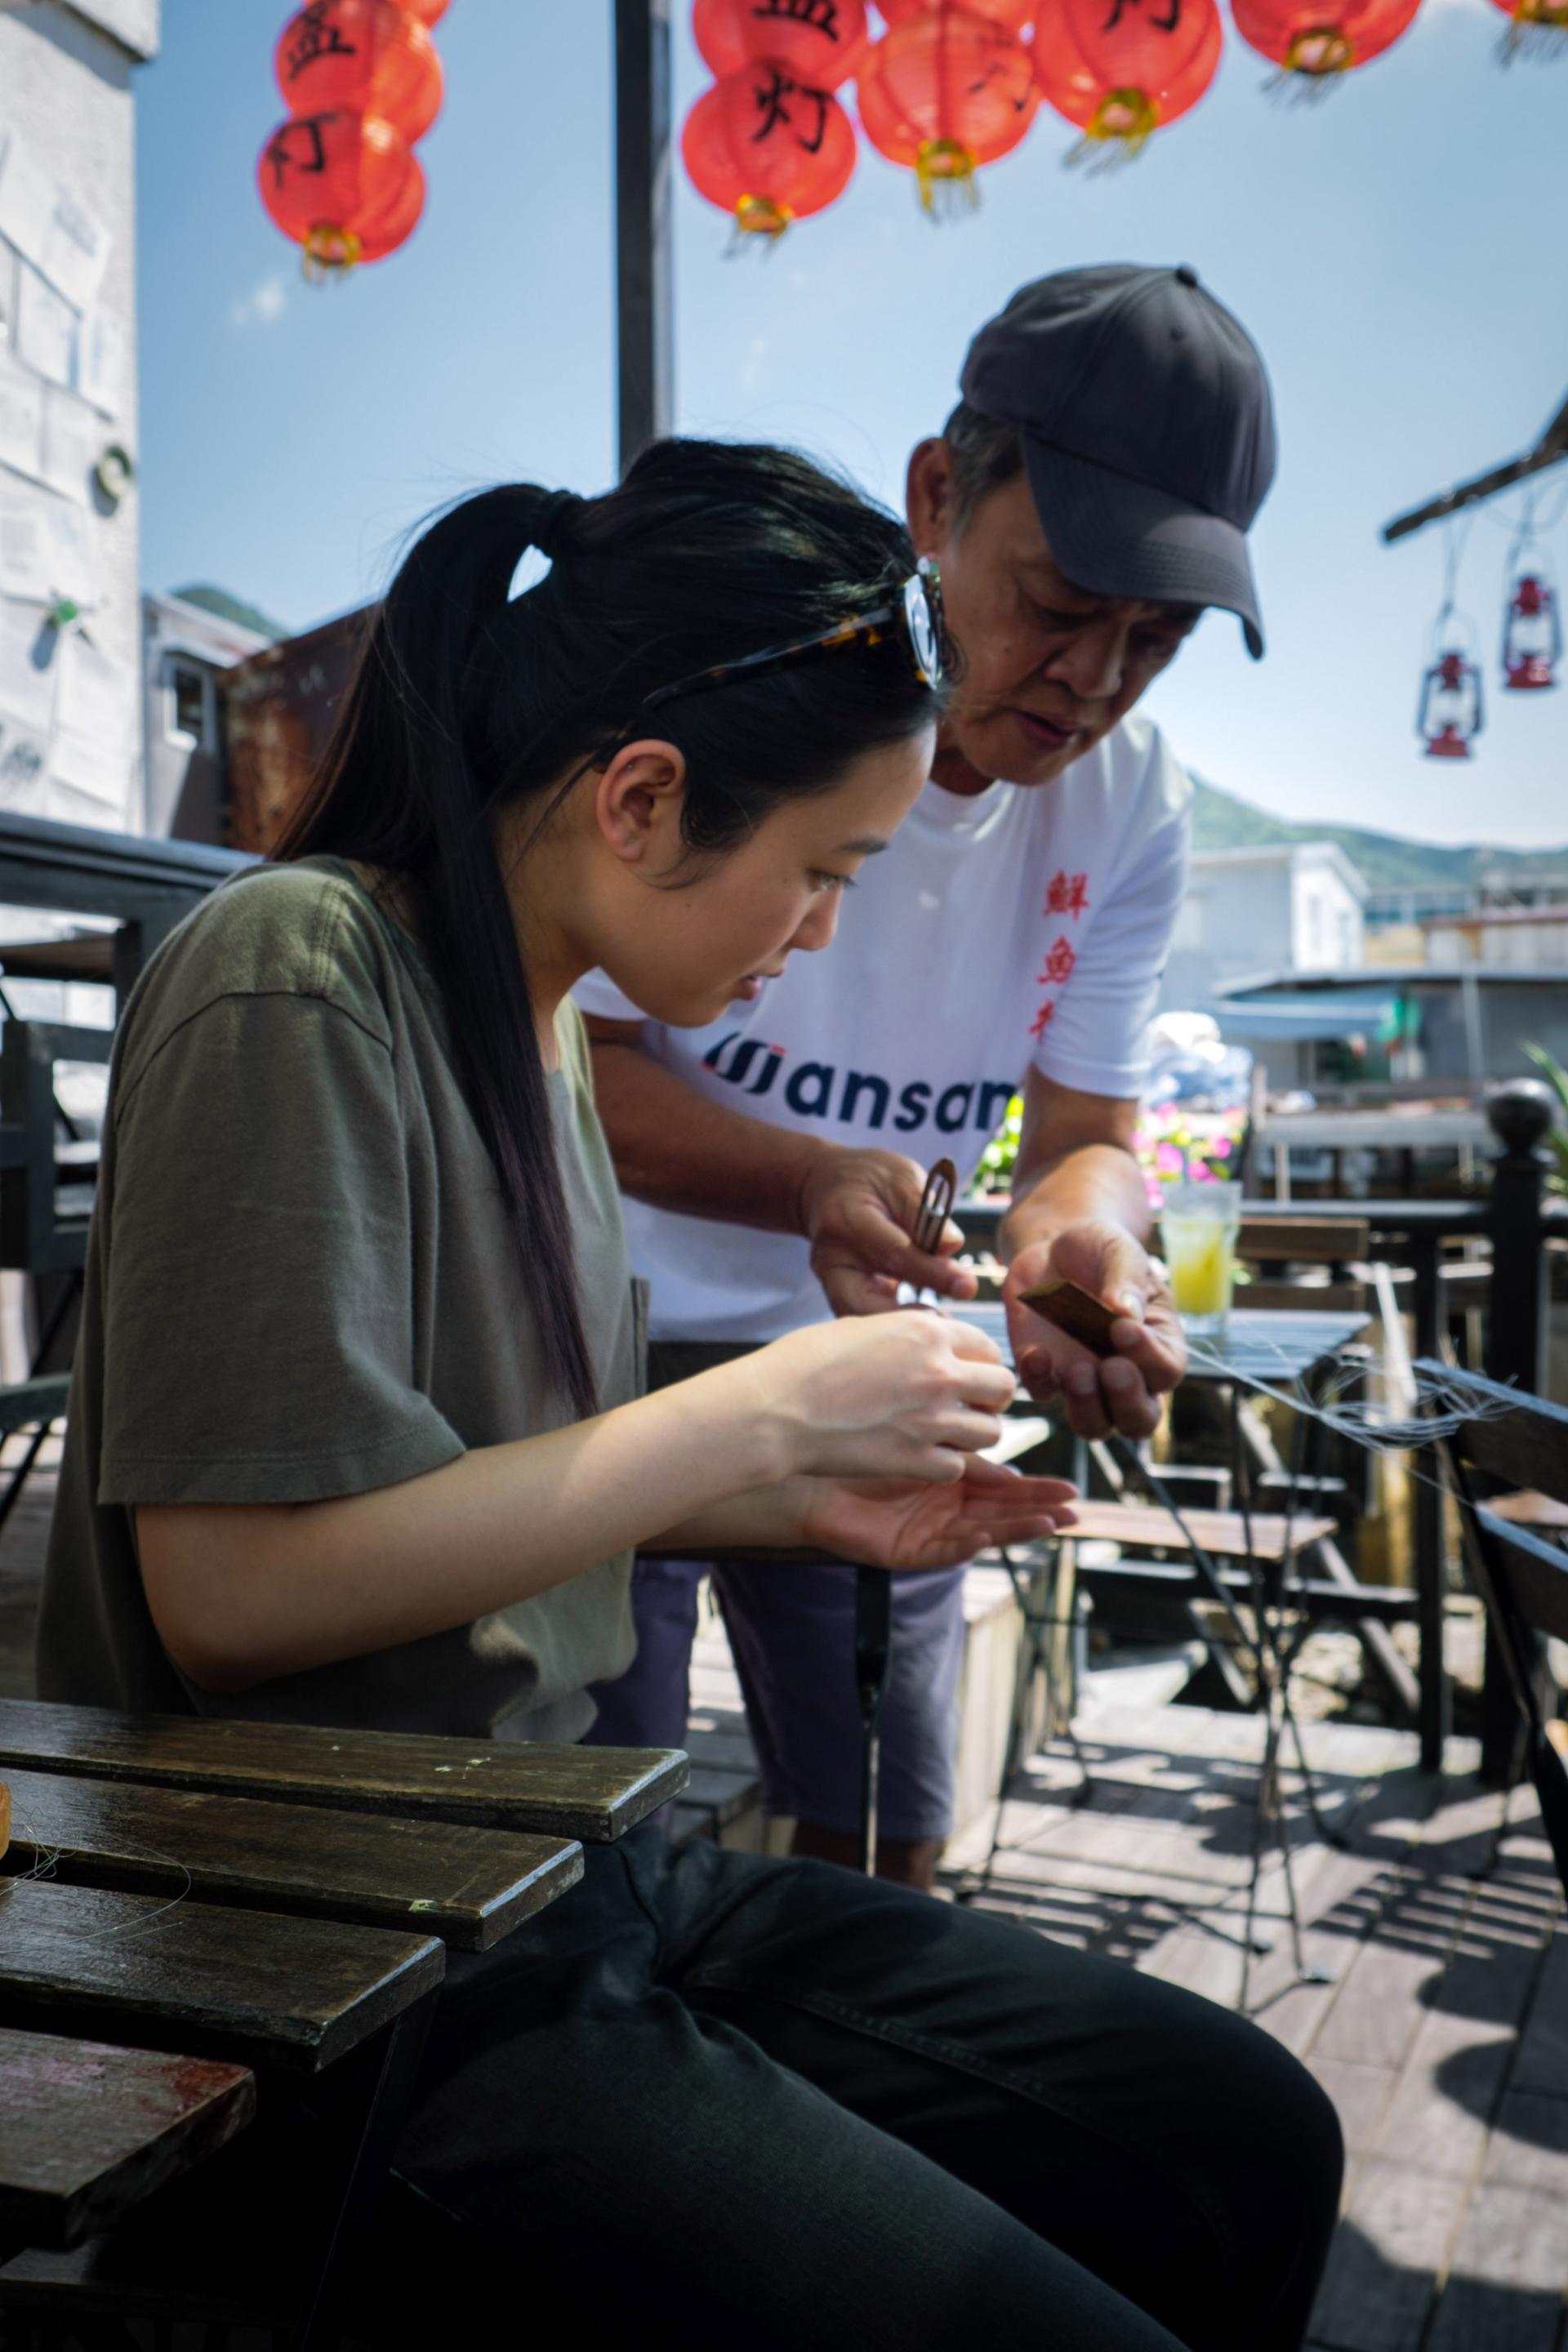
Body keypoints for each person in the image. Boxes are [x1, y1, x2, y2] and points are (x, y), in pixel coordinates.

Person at [37, 442, 1339, 2350]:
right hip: (340, 1959)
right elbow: (231, 1593)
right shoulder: (295, 975)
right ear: (642, 798)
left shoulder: (539, 1023)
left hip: (559, 1860)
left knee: (1246, 2139)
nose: (816, 935)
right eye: (820, 874)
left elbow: (468, 1487)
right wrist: (742, 1424)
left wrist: (796, 1493)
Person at [577, 263, 1279, 1888]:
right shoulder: (739, 708)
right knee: (580, 1824)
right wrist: (810, 1177)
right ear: (936, 499)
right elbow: (578, 1068)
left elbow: (1088, 1132)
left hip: (885, 1354)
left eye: (1154, 641)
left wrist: (1088, 1242)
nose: (1093, 682)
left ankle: (835, 2102)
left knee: (891, 1834)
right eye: (1057, 604)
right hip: (608, 1325)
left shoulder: (1134, 801)